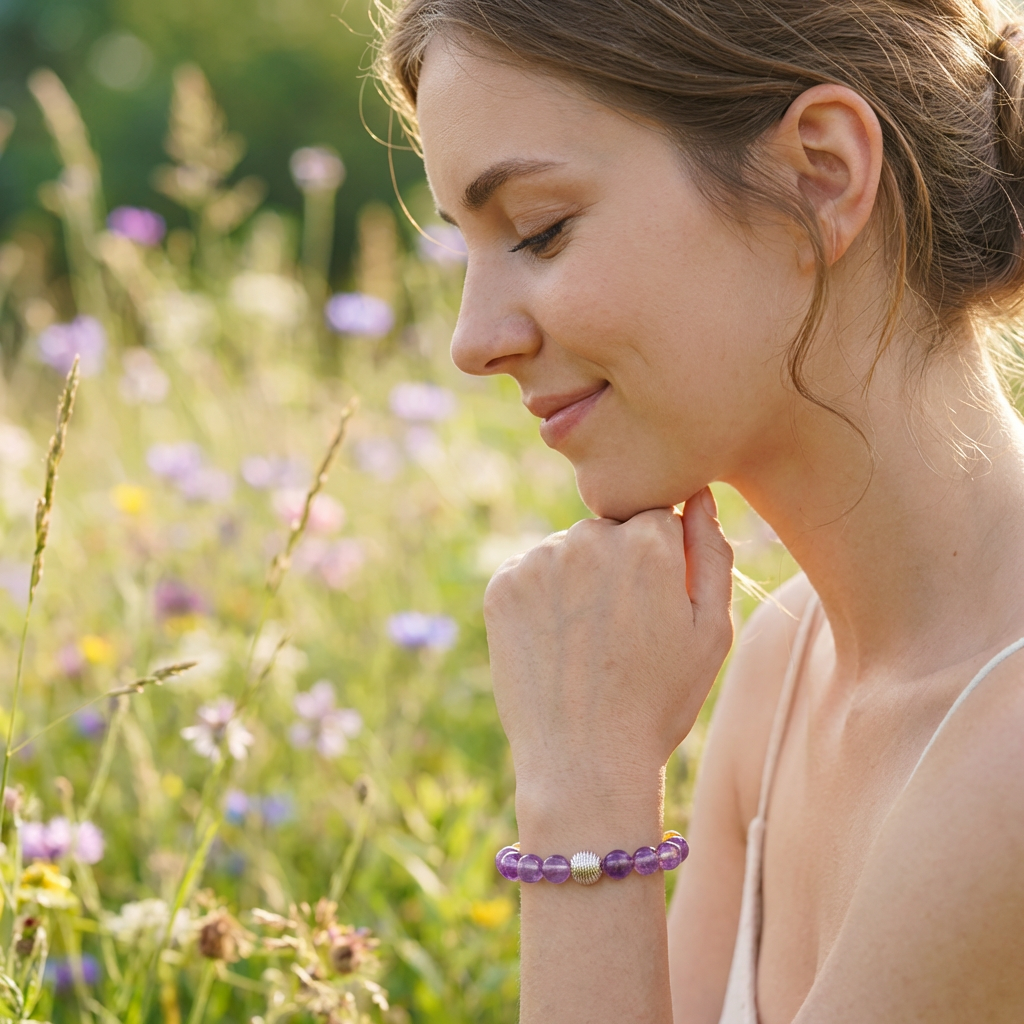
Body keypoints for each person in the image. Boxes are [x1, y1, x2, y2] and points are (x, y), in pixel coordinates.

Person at [377, 1, 1024, 1020]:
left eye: (540, 231)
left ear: (820, 175)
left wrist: (581, 791)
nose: (474, 340)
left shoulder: (1010, 766)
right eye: (467, 245)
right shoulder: (781, 668)